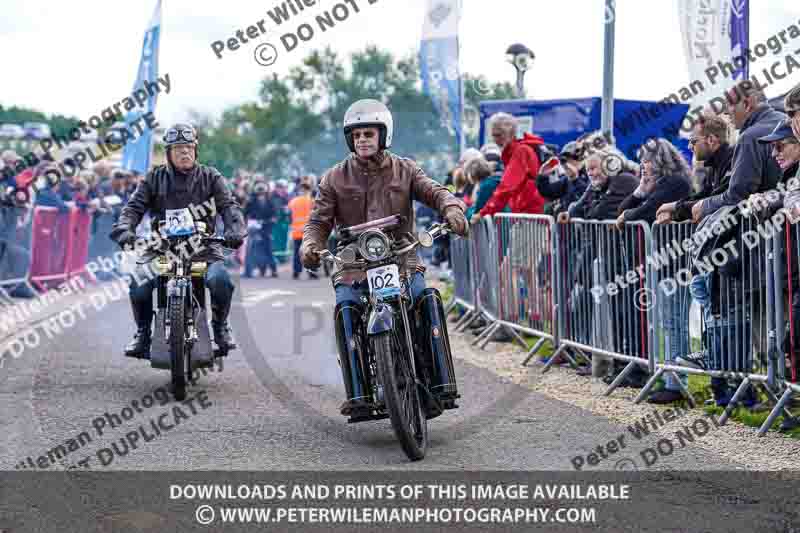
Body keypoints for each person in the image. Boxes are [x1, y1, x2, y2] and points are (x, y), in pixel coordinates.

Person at [299, 99, 468, 418]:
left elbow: (434, 191)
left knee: (425, 298)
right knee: (346, 306)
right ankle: (359, 394)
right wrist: (310, 244)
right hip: (354, 264)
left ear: (383, 135)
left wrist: (452, 208)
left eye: (369, 133)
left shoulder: (405, 168)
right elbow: (318, 221)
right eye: (357, 134)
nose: (363, 139)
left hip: (402, 256)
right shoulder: (334, 178)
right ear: (350, 139)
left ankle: (441, 385)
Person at [109, 123, 245, 358]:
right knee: (139, 282)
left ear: (196, 151)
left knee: (220, 280)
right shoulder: (154, 178)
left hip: (203, 247)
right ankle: (142, 334)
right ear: (169, 153)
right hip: (162, 248)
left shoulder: (211, 176)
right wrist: (125, 229)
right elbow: (132, 208)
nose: (185, 152)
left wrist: (235, 229)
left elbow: (229, 206)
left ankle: (220, 328)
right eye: (179, 148)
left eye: (189, 148)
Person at [690, 81, 785, 224]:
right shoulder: (787, 122)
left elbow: (737, 195)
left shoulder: (749, 137)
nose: (727, 111)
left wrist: (704, 205)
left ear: (747, 104)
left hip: (764, 234)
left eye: (730, 104)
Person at [656, 112, 734, 224]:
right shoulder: (714, 165)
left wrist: (674, 209)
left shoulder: (731, 160)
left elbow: (713, 202)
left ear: (711, 140)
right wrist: (674, 208)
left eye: (693, 141)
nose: (689, 146)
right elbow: (703, 196)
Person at [478, 112, 546, 217]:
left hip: (529, 216)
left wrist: (484, 212)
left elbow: (507, 187)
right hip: (525, 214)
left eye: (499, 135)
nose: (496, 140)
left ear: (510, 133)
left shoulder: (521, 151)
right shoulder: (515, 151)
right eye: (493, 135)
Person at [536, 141, 589, 216]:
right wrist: (543, 176)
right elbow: (548, 192)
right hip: (567, 225)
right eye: (564, 161)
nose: (567, 165)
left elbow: (586, 199)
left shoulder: (592, 175)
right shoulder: (567, 180)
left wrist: (575, 180)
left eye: (570, 159)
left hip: (584, 225)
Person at [243, 181, 278, 278]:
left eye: (262, 192)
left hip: (266, 228)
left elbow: (274, 215)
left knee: (268, 249)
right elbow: (245, 213)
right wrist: (248, 222)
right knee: (251, 250)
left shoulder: (270, 202)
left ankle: (273, 270)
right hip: (254, 229)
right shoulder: (251, 201)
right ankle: (248, 271)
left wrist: (271, 221)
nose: (261, 194)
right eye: (259, 192)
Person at [288, 182, 315, 280]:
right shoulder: (312, 202)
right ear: (308, 191)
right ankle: (312, 272)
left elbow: (288, 215)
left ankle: (296, 272)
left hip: (296, 231)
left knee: (296, 253)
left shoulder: (293, 202)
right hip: (309, 231)